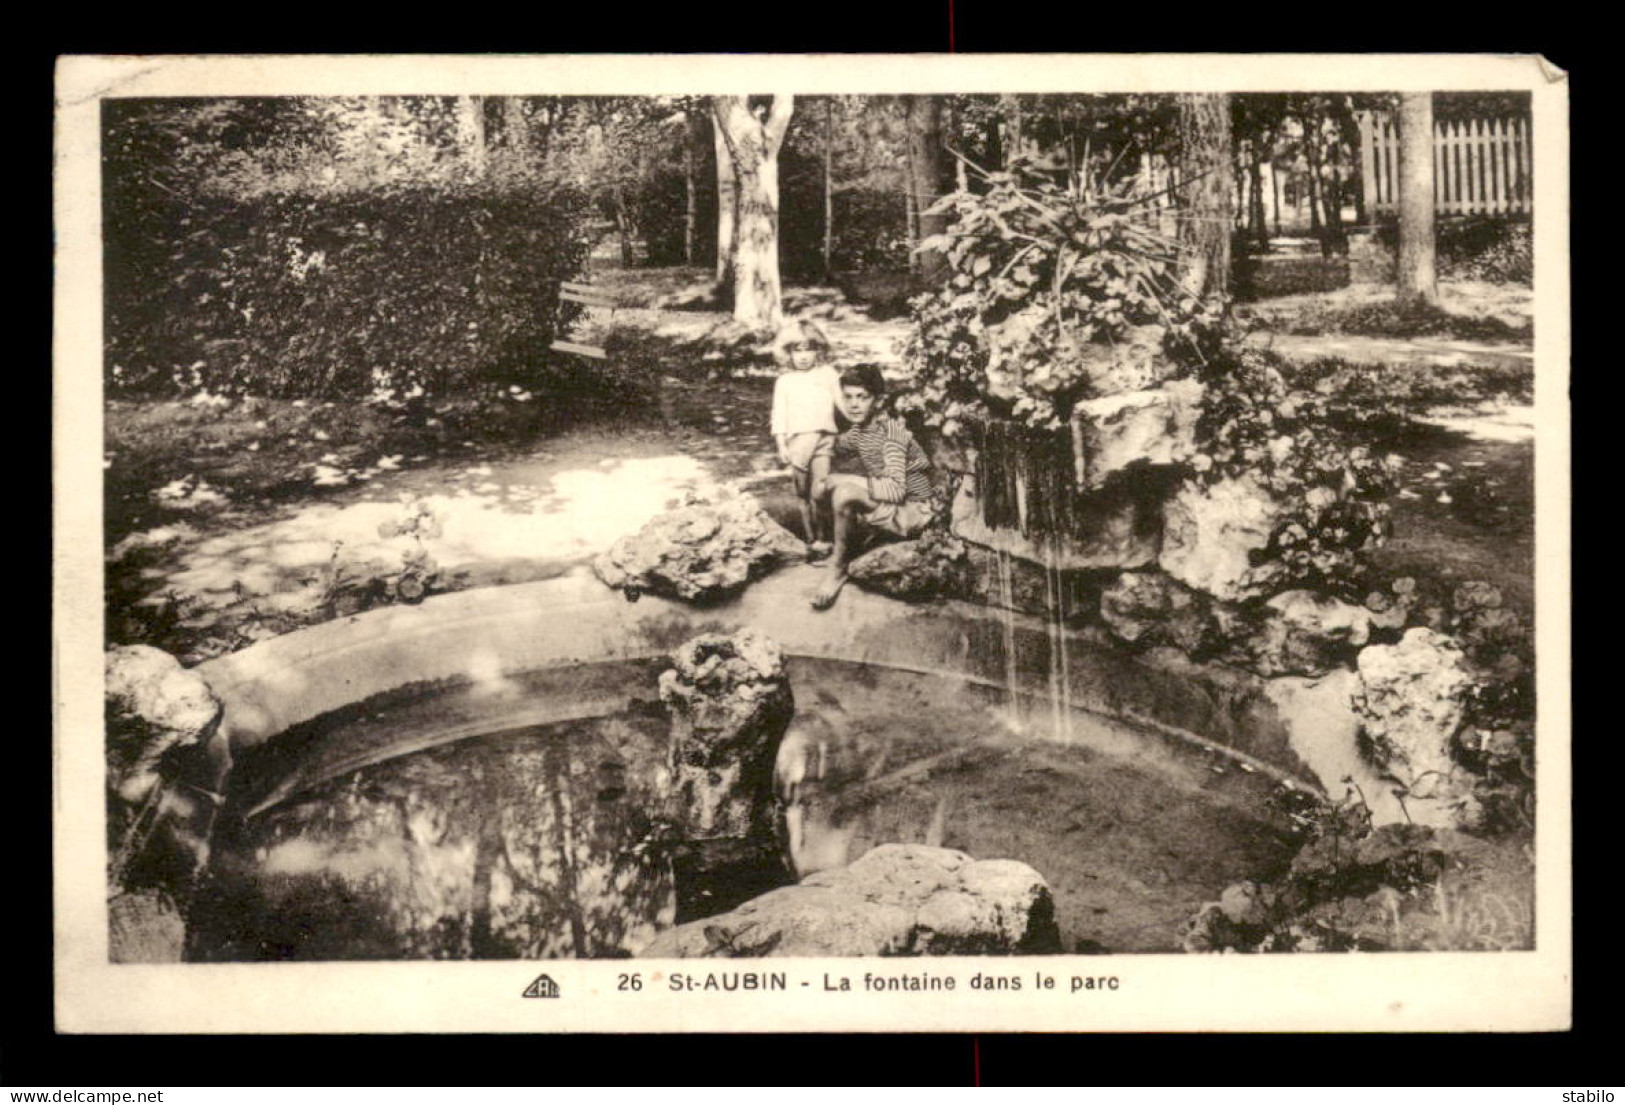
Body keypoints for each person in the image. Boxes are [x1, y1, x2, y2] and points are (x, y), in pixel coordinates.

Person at [810, 363, 940, 611]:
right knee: (825, 485)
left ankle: (837, 568)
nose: (853, 404)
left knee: (844, 492)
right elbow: (831, 446)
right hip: (893, 502)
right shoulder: (860, 431)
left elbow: (896, 489)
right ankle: (839, 543)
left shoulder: (892, 434)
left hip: (913, 511)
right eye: (847, 397)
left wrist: (844, 482)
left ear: (878, 401)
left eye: (862, 397)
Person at [768, 321, 842, 559]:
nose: (802, 356)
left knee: (820, 492)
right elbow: (779, 414)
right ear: (788, 353)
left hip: (824, 437)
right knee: (802, 493)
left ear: (818, 350)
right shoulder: (785, 381)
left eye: (808, 349)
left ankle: (823, 539)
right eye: (796, 350)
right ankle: (809, 541)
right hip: (798, 440)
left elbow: (842, 404)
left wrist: (864, 417)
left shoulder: (828, 374)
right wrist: (781, 444)